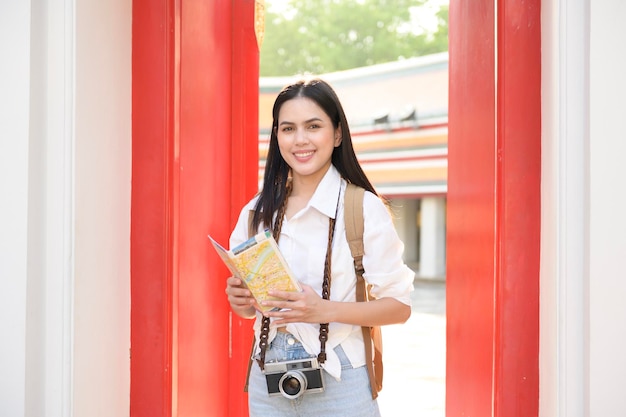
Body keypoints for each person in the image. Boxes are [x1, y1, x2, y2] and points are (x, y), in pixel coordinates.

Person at [225, 78, 414, 417]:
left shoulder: (363, 208)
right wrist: (240, 301)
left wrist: (323, 310)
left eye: (313, 126)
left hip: (341, 380)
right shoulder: (256, 212)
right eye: (288, 128)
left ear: (337, 134)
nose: (300, 140)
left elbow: (399, 307)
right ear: (277, 136)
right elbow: (249, 309)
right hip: (267, 380)